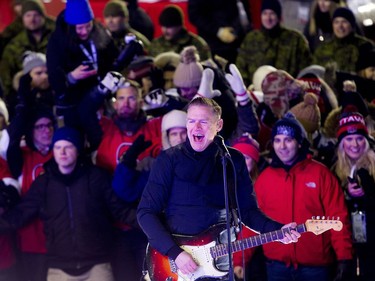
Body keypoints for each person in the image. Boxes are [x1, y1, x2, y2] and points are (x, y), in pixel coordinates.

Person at [137, 97, 300, 280]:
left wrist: (277, 230)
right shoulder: (169, 160)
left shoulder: (232, 160)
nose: (196, 127)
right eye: (191, 121)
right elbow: (145, 213)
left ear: (219, 125)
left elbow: (247, 211)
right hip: (176, 265)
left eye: (203, 121)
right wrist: (175, 253)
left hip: (218, 265)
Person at [0, 126, 138, 281]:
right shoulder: (43, 183)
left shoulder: (96, 178)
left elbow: (120, 211)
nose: (62, 152)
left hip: (97, 264)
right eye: (58, 147)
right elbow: (21, 214)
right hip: (58, 266)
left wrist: (152, 223)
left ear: (78, 149)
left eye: (68, 147)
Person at [254, 112, 353, 281]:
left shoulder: (321, 174)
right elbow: (252, 221)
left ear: (299, 143)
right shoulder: (264, 179)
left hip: (315, 268)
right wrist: (239, 261)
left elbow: (338, 216)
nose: (282, 146)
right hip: (276, 267)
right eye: (277, 140)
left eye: (288, 139)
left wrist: (344, 257)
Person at [110, 109, 187, 281]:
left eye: (183, 132)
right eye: (174, 134)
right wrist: (128, 161)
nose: (179, 138)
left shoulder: (202, 163)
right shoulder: (155, 166)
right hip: (161, 239)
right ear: (166, 136)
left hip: (194, 238)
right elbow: (124, 191)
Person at [333, 112, 375, 281]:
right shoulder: (336, 169)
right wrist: (347, 195)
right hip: (350, 242)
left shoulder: (372, 167)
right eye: (349, 139)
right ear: (342, 143)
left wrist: (368, 194)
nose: (354, 144)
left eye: (359, 138)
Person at [236, 0, 312, 86]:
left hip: (288, 93)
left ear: (278, 16)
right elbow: (241, 67)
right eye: (265, 13)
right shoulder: (251, 39)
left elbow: (305, 69)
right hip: (255, 94)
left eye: (272, 13)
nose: (268, 18)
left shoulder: (295, 40)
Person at [0, 0, 55, 119]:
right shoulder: (14, 45)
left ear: (42, 16)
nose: (32, 19)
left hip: (54, 95)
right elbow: (6, 77)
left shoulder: (56, 38)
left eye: (36, 15)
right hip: (26, 99)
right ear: (22, 18)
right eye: (28, 15)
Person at [313, 7, 374, 73]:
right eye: (336, 22)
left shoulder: (365, 46)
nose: (340, 26)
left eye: (344, 22)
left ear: (352, 24)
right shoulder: (322, 49)